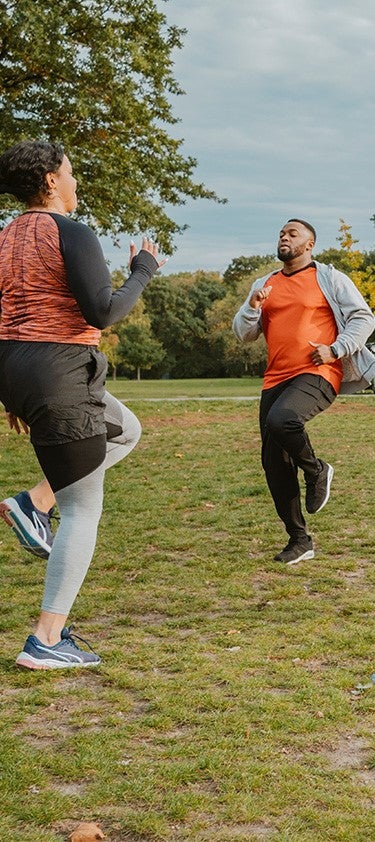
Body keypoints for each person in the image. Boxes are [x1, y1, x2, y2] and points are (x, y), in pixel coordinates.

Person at [0, 139, 165, 668]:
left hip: (18, 369)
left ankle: (34, 502)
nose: (75, 183)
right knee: (83, 511)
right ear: (50, 179)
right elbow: (102, 312)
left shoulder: (5, 237)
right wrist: (142, 269)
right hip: (60, 374)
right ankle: (47, 639)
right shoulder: (73, 233)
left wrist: (14, 387)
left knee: (126, 428)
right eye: (70, 173)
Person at [233, 219, 375, 565]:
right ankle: (299, 540)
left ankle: (316, 470)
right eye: (281, 232)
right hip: (275, 379)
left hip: (318, 372)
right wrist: (252, 306)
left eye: (292, 233)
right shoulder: (264, 283)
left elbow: (363, 317)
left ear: (309, 244)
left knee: (284, 420)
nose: (284, 237)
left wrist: (336, 349)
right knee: (274, 463)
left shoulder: (329, 277)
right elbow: (243, 334)